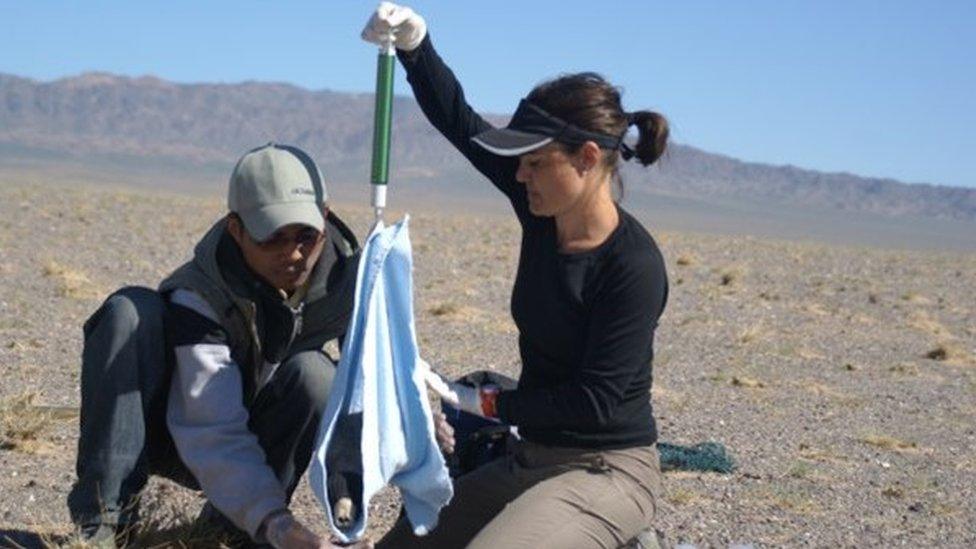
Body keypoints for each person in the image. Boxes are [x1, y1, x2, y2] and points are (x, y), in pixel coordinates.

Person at [363, 4, 671, 548]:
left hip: (608, 471)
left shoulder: (632, 266)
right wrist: (416, 47)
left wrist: (479, 403)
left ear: (587, 157)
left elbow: (593, 401)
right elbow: (463, 125)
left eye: (534, 160)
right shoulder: (541, 207)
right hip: (532, 457)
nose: (519, 173)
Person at [67, 143, 368, 549]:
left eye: (305, 236)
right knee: (128, 312)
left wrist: (425, 425)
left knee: (317, 376)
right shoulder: (201, 292)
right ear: (236, 230)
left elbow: (378, 377)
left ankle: (230, 530)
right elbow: (212, 426)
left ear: (325, 218)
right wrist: (277, 525)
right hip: (176, 427)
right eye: (272, 238)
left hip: (256, 433)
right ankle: (104, 525)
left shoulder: (347, 282)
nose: (294, 254)